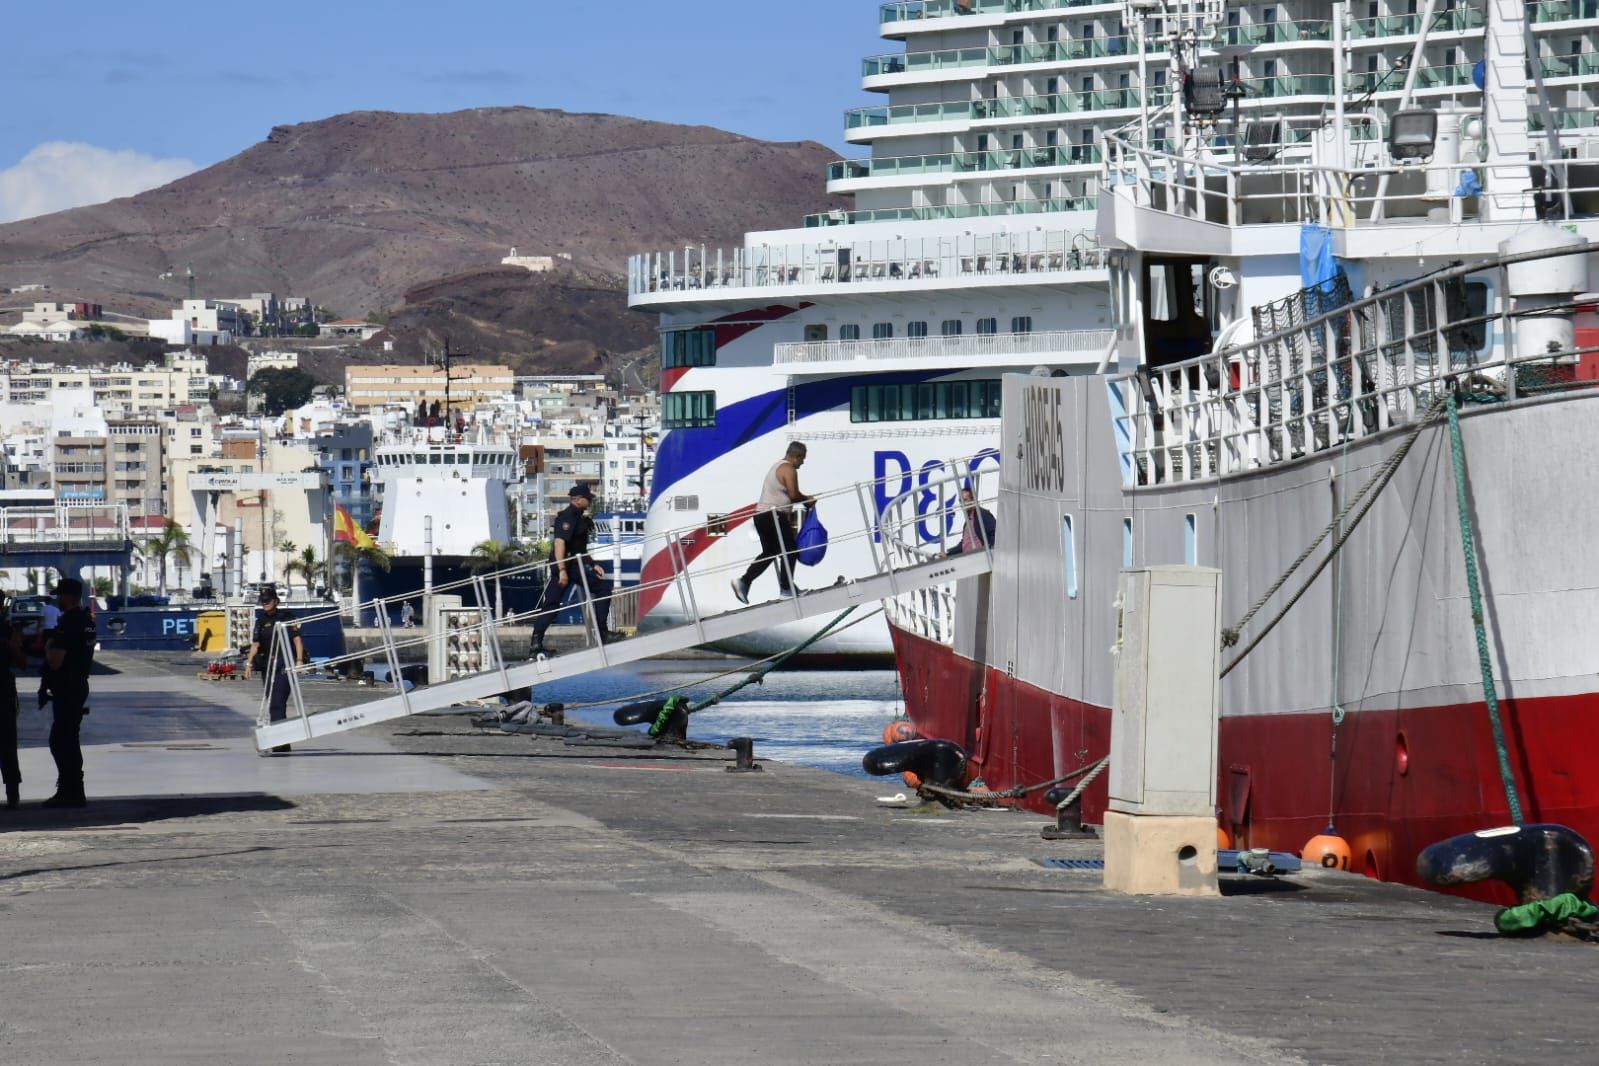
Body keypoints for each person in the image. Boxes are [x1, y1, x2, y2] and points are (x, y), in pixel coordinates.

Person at [531, 483, 621, 656]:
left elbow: (579, 548)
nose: (590, 501)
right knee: (601, 589)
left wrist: (593, 564)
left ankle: (535, 645)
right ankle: (602, 634)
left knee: (552, 604)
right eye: (588, 498)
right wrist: (562, 570)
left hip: (574, 564)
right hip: (567, 566)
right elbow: (559, 544)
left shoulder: (579, 518)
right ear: (578, 500)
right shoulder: (568, 517)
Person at [732, 442, 815, 604]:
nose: (802, 463)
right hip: (773, 515)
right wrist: (808, 500)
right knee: (790, 550)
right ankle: (786, 589)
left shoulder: (777, 466)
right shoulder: (788, 469)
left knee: (771, 552)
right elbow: (793, 495)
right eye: (802, 459)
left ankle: (744, 582)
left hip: (762, 515)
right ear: (796, 456)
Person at [43, 578, 95, 808]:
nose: (57, 601)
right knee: (69, 739)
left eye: (59, 596)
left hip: (67, 685)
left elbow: (55, 661)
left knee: (60, 741)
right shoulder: (86, 620)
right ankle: (74, 789)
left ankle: (69, 790)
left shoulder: (69, 622)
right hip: (80, 683)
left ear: (66, 596)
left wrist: (47, 647)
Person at [244, 585, 305, 754]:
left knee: (278, 702)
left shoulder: (286, 617)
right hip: (268, 666)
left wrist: (299, 661)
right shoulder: (260, 621)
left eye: (268, 601)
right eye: (262, 601)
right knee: (274, 704)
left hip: (285, 663)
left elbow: (297, 640)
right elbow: (255, 645)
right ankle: (283, 742)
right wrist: (249, 664)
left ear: (276, 601)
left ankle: (279, 740)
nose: (264, 604)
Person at [0, 596, 23, 810]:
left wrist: (13, 645)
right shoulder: (8, 630)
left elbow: (21, 661)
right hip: (4, 689)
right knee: (7, 743)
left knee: (7, 742)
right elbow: (22, 662)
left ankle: (13, 790)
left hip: (4, 688)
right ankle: (12, 791)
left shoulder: (8, 631)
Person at [944, 487, 997, 556]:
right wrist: (948, 554)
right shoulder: (968, 522)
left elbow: (995, 533)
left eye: (965, 500)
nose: (962, 504)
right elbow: (964, 544)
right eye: (960, 501)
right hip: (968, 558)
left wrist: (991, 552)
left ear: (973, 500)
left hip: (982, 557)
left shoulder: (983, 514)